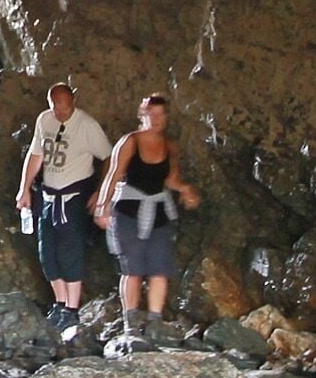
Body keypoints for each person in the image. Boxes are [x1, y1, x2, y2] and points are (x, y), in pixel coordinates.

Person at [93, 93, 200, 322]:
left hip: (159, 213)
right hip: (129, 211)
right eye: (151, 114)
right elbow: (113, 175)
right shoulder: (130, 141)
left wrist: (185, 189)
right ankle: (130, 322)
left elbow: (171, 179)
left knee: (160, 269)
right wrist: (102, 206)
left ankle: (154, 321)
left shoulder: (169, 146)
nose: (156, 119)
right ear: (142, 115)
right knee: (132, 269)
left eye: (161, 114)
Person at [15, 83, 113, 332]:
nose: (60, 112)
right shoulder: (44, 120)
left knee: (71, 251)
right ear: (49, 103)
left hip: (74, 197)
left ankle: (72, 308)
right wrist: (24, 188)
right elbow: (36, 155)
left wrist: (101, 192)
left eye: (65, 107)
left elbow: (110, 158)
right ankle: (60, 303)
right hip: (48, 196)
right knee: (47, 252)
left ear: (73, 101)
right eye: (56, 107)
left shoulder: (86, 125)